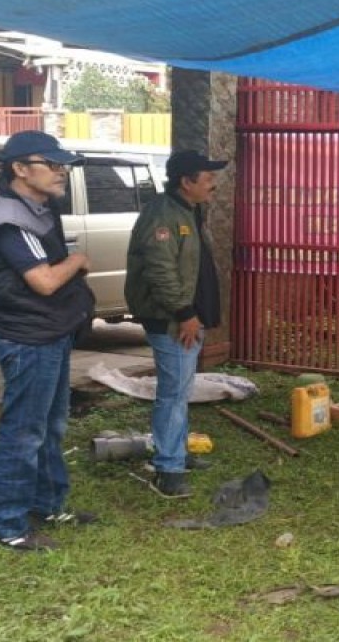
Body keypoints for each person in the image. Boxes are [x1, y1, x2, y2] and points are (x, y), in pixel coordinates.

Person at [0, 130, 97, 552]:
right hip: (30, 338)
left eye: (63, 163)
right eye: (51, 163)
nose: (61, 171)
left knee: (51, 426)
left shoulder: (39, 206)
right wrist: (77, 261)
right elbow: (44, 281)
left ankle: (46, 505)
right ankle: (5, 523)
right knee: (24, 432)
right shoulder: (9, 218)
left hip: (51, 332)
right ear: (20, 169)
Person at [125, 150, 227, 499]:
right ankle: (168, 469)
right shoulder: (163, 216)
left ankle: (178, 453)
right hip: (170, 319)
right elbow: (160, 272)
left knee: (181, 390)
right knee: (172, 394)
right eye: (208, 177)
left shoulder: (188, 209)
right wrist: (184, 313)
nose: (214, 184)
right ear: (187, 182)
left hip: (185, 316)